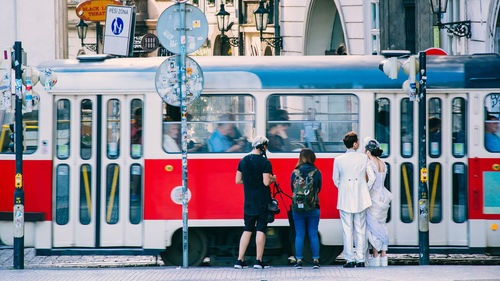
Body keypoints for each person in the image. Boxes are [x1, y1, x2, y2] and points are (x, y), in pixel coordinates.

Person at [332, 131, 375, 268]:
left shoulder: (338, 160)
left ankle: (349, 259)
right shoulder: (363, 158)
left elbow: (335, 179)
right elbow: (372, 178)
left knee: (347, 229)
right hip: (361, 197)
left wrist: (344, 188)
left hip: (345, 197)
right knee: (360, 229)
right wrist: (364, 188)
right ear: (355, 144)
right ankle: (361, 259)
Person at [234, 136, 276, 269]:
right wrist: (273, 179)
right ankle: (258, 261)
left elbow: (238, 180)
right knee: (261, 229)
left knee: (247, 229)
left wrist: (249, 182)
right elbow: (266, 182)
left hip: (249, 201)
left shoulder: (243, 160)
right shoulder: (265, 162)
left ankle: (239, 260)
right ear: (263, 147)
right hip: (262, 201)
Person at [290, 148, 322, 269]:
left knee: (299, 234)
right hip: (313, 207)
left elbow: (293, 190)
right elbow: (319, 188)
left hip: (297, 208)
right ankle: (316, 261)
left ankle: (299, 261)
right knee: (313, 234)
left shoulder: (295, 172)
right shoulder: (316, 172)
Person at [363, 138, 392, 267]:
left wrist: (365, 191)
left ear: (368, 152)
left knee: (372, 227)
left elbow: (371, 180)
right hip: (383, 196)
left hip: (373, 197)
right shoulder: (383, 163)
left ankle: (375, 255)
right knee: (381, 225)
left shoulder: (370, 163)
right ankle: (384, 255)